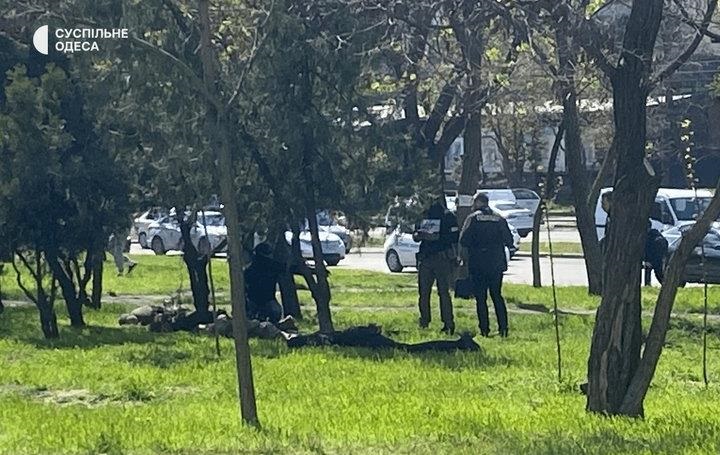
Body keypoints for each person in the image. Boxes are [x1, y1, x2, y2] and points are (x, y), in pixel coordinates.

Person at [460, 193, 514, 337]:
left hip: (478, 264)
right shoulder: (499, 218)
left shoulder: (473, 218)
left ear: (478, 202)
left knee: (481, 298)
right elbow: (509, 240)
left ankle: (484, 329)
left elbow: (463, 240)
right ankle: (503, 328)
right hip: (496, 264)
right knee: (497, 296)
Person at [412, 199, 459, 334]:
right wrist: (419, 235)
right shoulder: (423, 215)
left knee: (443, 292)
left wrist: (438, 237)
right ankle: (424, 321)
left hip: (442, 258)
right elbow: (415, 234)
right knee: (423, 293)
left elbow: (455, 236)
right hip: (426, 258)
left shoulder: (448, 216)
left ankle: (448, 323)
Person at [244, 243, 284, 324]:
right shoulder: (272, 265)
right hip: (258, 300)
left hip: (262, 299)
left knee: (275, 311)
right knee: (275, 311)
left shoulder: (251, 267)